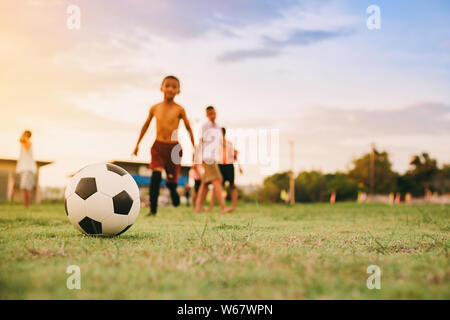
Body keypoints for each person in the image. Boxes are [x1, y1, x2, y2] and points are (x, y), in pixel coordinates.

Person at [133, 75, 195, 215]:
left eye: (174, 86)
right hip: (158, 146)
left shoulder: (180, 109)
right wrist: (137, 144)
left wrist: (194, 148)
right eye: (167, 85)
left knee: (171, 182)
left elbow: (188, 128)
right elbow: (146, 125)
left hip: (174, 149)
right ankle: (153, 210)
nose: (170, 89)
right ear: (162, 88)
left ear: (178, 91)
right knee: (155, 174)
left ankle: (173, 190)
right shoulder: (155, 108)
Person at [194, 106, 232, 213]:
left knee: (205, 183)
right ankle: (223, 207)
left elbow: (221, 142)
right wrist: (197, 158)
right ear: (207, 115)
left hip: (215, 157)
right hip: (207, 157)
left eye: (213, 113)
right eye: (210, 113)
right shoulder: (205, 126)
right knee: (218, 180)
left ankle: (198, 207)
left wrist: (231, 149)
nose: (212, 115)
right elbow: (201, 142)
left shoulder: (218, 128)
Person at [208, 127, 243, 211]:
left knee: (232, 186)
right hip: (219, 166)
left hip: (229, 165)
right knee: (216, 186)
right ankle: (211, 206)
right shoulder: (215, 144)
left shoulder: (229, 143)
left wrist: (240, 167)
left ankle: (234, 206)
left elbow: (234, 155)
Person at [16, 130, 37, 209]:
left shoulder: (29, 143)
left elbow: (26, 145)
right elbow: (21, 158)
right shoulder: (22, 144)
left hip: (29, 169)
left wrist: (24, 139)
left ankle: (28, 206)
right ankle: (25, 205)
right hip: (24, 169)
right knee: (24, 188)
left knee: (28, 188)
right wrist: (19, 169)